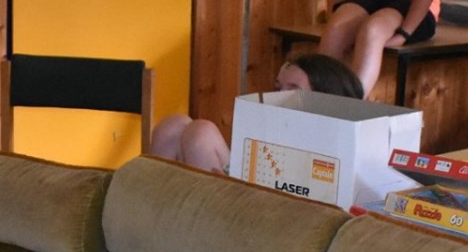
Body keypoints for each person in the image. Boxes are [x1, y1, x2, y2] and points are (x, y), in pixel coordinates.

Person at [149, 54, 366, 173]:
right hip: (247, 190)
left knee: (201, 131)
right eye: (278, 87)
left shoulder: (336, 141)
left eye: (292, 89)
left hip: (266, 210)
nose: (280, 95)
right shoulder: (274, 120)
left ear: (324, 97)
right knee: (173, 124)